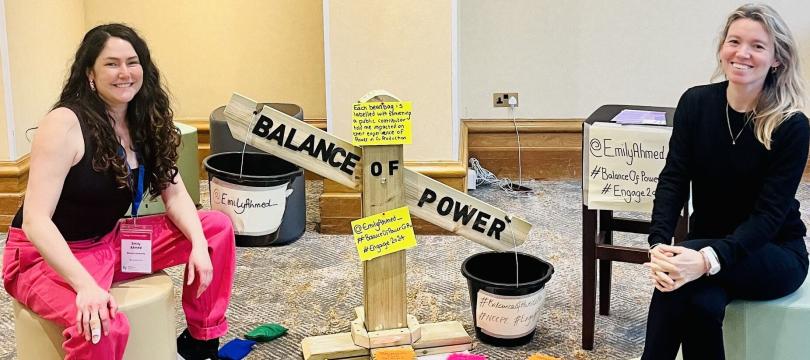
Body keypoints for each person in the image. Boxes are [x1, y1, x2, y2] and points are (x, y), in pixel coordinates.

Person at [1, 24, 236, 360]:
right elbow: (36, 221)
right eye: (111, 64)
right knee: (103, 326)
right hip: (43, 255)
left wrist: (198, 244)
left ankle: (202, 343)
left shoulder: (143, 120)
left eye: (132, 61)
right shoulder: (64, 124)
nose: (124, 73)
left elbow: (175, 193)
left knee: (214, 228)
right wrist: (84, 286)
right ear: (90, 74)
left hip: (108, 241)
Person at [641, 3, 809, 359]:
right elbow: (673, 179)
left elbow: (769, 216)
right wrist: (658, 243)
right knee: (698, 304)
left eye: (758, 46)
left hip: (774, 252)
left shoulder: (791, 125)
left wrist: (703, 259)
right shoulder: (696, 103)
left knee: (678, 283)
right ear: (722, 48)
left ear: (776, 59)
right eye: (734, 41)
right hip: (710, 242)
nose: (742, 53)